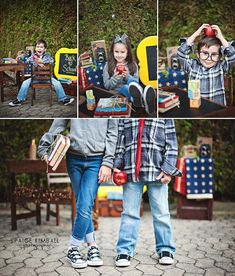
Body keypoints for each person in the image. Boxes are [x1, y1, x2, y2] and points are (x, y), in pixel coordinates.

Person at [38, 119, 118, 269]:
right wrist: (43, 147)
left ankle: (73, 248)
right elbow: (59, 123)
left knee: (85, 205)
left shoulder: (110, 105)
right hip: (73, 159)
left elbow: (113, 134)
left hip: (97, 160)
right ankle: (92, 246)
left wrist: (108, 163)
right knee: (83, 204)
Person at [113, 119, 182, 267]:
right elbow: (120, 142)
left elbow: (172, 144)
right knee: (129, 213)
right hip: (131, 171)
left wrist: (168, 170)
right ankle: (124, 250)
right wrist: (117, 165)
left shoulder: (164, 118)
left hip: (157, 172)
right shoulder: (125, 117)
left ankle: (166, 248)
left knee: (161, 213)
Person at [177, 24, 235, 105]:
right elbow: (181, 53)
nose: (209, 58)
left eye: (214, 54)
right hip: (197, 108)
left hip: (217, 110)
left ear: (219, 57)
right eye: (205, 53)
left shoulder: (221, 67)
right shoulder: (192, 66)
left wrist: (221, 37)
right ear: (198, 54)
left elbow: (233, 56)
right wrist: (196, 34)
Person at [9, 39, 74, 107]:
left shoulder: (47, 56)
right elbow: (28, 60)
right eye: (38, 47)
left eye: (41, 47)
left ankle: (64, 99)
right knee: (25, 83)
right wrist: (36, 61)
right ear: (35, 48)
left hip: (47, 78)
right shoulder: (33, 56)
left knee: (57, 83)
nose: (39, 48)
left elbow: (51, 61)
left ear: (45, 49)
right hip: (35, 78)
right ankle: (19, 100)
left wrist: (42, 61)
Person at [103, 33, 156, 115]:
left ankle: (140, 100)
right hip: (117, 94)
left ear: (127, 52)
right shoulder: (108, 65)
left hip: (132, 92)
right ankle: (144, 102)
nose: (119, 55)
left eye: (122, 52)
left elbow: (136, 83)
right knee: (125, 87)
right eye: (116, 52)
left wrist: (127, 76)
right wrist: (115, 78)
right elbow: (107, 86)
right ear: (112, 51)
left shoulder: (132, 65)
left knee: (130, 84)